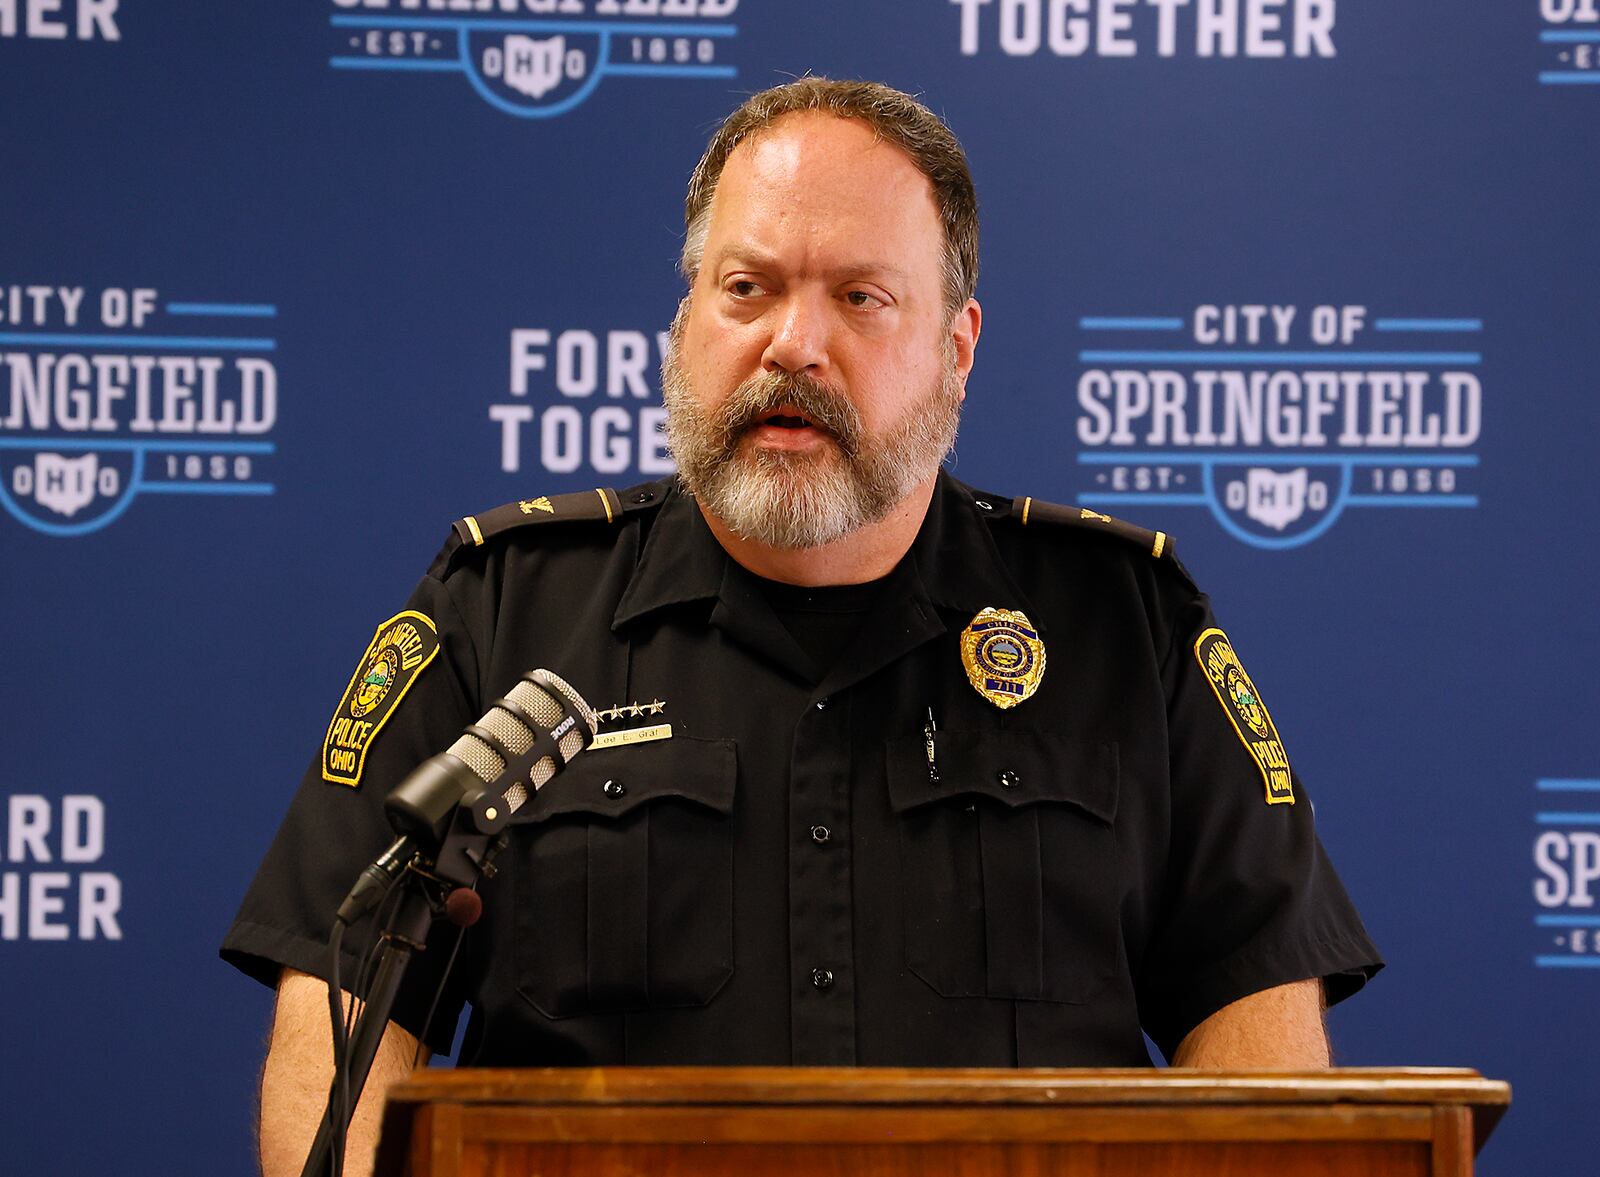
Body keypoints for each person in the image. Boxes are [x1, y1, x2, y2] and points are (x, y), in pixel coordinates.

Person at [223, 77, 1382, 1177]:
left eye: (859, 298)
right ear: (684, 326)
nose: (791, 343)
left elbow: (1259, 1037)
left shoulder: (1125, 625)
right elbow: (343, 1027)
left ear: (956, 348)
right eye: (747, 288)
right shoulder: (502, 608)